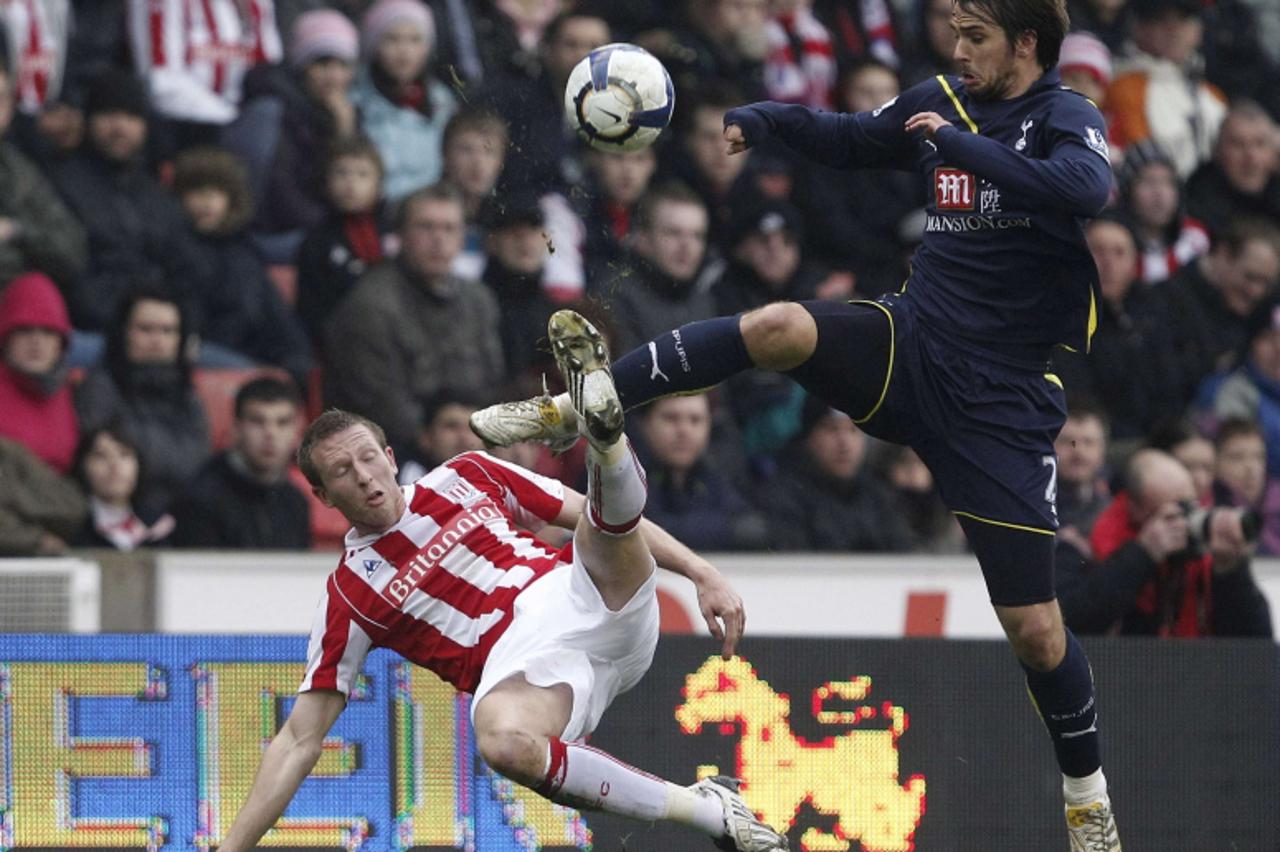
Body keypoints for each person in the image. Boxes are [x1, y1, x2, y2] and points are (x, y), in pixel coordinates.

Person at [473, 0, 1122, 844]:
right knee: (778, 326)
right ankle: (571, 409)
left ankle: (1086, 792)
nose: (957, 52)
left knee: (1036, 633)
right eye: (956, 35)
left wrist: (958, 147)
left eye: (976, 39)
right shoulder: (943, 100)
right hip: (912, 344)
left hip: (999, 407)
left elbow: (1089, 188)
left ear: (1026, 44)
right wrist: (765, 120)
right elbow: (852, 137)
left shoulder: (1062, 117)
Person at [217, 310, 789, 852]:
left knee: (598, 525)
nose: (364, 477)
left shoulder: (466, 472)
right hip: (527, 672)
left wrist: (701, 571)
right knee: (501, 741)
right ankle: (709, 812)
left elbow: (576, 509)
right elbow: (299, 738)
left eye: (368, 458)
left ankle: (605, 435)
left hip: (579, 594)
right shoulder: (349, 594)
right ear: (322, 496)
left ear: (390, 456)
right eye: (343, 471)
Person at [322, 183, 504, 451]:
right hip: (397, 452)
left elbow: (493, 384)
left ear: (462, 238)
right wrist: (453, 441)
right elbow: (382, 408)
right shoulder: (370, 306)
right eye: (426, 227)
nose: (438, 239)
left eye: (449, 228)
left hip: (471, 442)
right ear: (401, 235)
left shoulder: (480, 300)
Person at [1058, 448, 1272, 636]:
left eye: (1190, 507)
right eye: (1172, 513)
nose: (1186, 522)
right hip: (1118, 674)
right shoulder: (1083, 541)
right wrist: (1142, 554)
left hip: (1196, 672)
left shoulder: (1203, 550)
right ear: (1136, 509)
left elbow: (1256, 647)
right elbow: (1070, 623)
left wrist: (1231, 571)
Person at [172, 145, 313, 385]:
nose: (207, 201)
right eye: (197, 191)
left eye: (216, 192)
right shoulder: (173, 247)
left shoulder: (243, 251)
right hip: (210, 351)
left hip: (251, 354)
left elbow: (267, 316)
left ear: (231, 199)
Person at [74, 282, 211, 517]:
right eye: (146, 329)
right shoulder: (99, 388)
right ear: (124, 333)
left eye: (168, 331)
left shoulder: (188, 396)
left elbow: (200, 463)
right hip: (122, 515)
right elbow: (108, 464)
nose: (157, 340)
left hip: (186, 514)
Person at [169, 376, 310, 549]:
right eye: (257, 421)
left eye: (282, 423)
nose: (271, 434)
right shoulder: (200, 501)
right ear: (236, 428)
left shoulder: (296, 503)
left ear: (297, 432)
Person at [763, 397, 913, 552]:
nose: (844, 443)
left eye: (854, 430)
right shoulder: (784, 499)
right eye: (831, 429)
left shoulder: (880, 498)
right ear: (808, 437)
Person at [294, 134, 396, 344]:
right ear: (326, 182)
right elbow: (310, 310)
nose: (350, 183)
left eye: (362, 175)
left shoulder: (397, 231)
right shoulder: (317, 241)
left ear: (379, 184)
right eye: (341, 173)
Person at [351, 0, 458, 201]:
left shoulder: (442, 101)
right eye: (392, 39)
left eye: (415, 40)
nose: (404, 51)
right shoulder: (354, 97)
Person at [635, 393, 767, 551]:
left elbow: (752, 529)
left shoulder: (717, 476)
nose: (684, 430)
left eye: (695, 420)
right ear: (644, 423)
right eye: (671, 418)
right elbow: (631, 534)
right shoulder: (625, 478)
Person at [0, 61, 87, 292]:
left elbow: (71, 250)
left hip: (16, 306)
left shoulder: (20, 172)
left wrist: (16, 230)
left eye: (0, 99)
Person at [0, 271, 78, 474]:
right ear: (6, 337)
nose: (36, 341)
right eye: (25, 329)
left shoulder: (77, 393)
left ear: (60, 344)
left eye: (48, 331)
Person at [69, 423, 175, 550]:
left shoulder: (157, 525)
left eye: (124, 454)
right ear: (83, 466)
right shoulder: (71, 525)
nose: (115, 466)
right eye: (101, 456)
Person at [0, 435, 86, 556]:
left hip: (44, 547)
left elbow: (73, 507)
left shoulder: (10, 453)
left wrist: (12, 496)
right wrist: (35, 538)